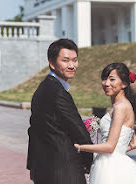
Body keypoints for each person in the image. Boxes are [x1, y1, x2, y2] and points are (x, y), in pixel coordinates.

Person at [74, 63, 136, 184]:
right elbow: (134, 143)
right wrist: (118, 152)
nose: (106, 83)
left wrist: (79, 147)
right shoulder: (122, 105)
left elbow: (109, 147)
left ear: (124, 84)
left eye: (112, 79)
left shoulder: (120, 107)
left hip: (109, 169)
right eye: (104, 79)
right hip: (114, 163)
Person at [27, 39, 93, 184]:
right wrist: (91, 163)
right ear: (52, 63)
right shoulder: (58, 93)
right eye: (65, 60)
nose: (72, 65)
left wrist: (33, 165)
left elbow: (33, 130)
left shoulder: (42, 88)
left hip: (44, 169)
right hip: (64, 171)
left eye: (75, 60)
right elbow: (79, 132)